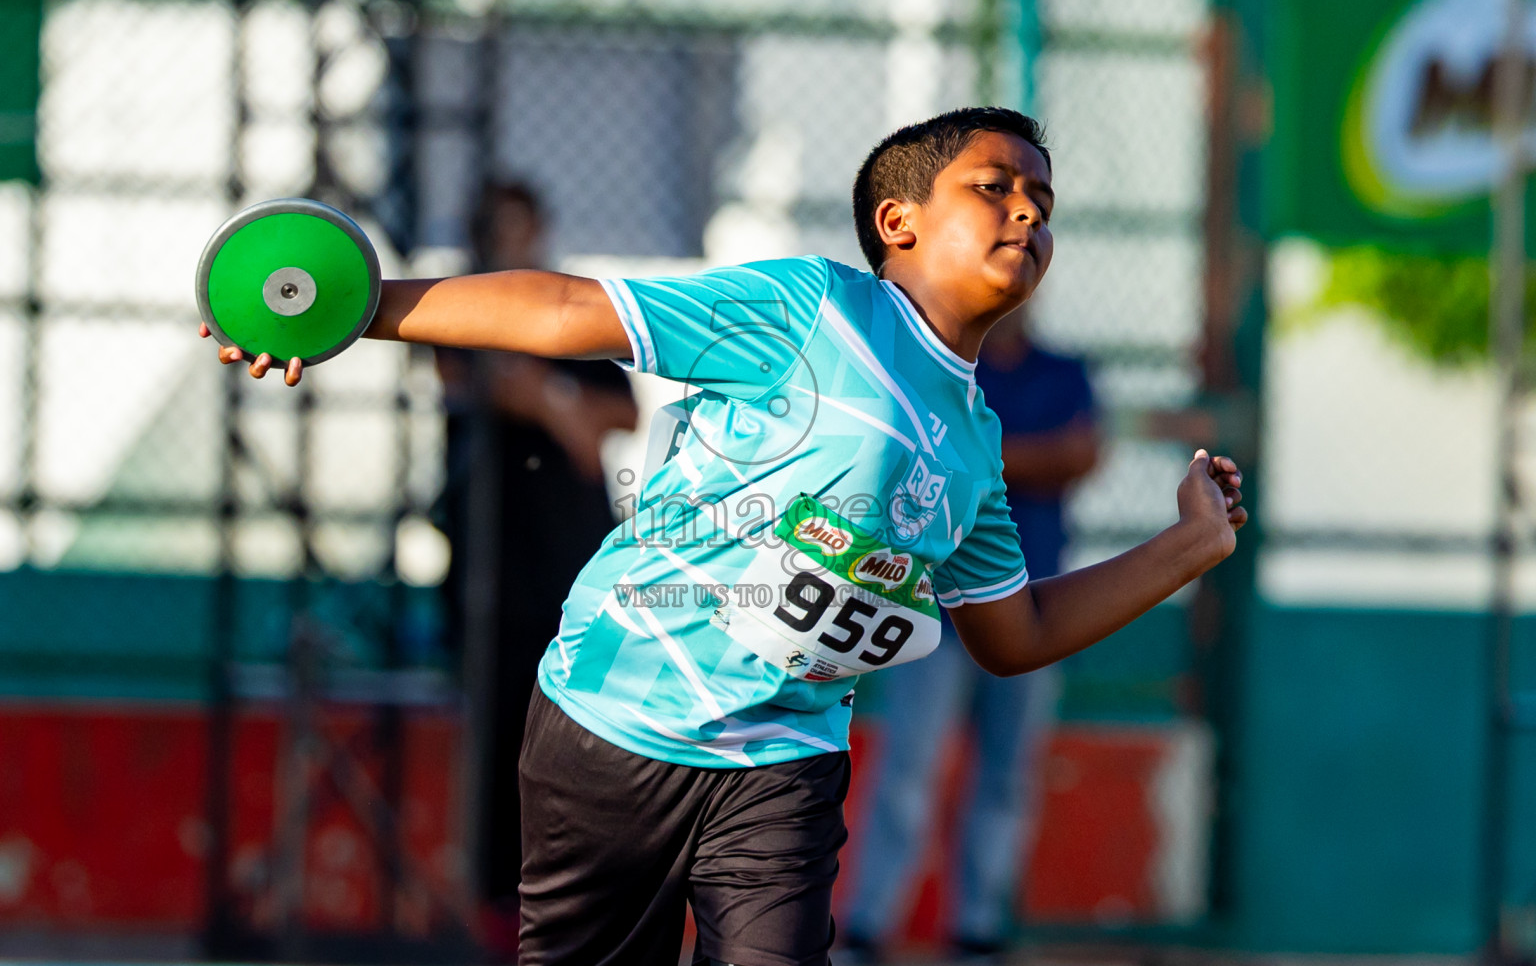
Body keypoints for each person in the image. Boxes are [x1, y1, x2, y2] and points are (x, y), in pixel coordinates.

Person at [204, 107, 1247, 966]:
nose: (1028, 210)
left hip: (785, 765)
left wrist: (1186, 546)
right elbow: (570, 313)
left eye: (1044, 201)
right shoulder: (810, 309)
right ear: (898, 221)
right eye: (995, 186)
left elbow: (1011, 634)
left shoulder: (973, 439)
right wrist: (356, 307)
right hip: (615, 719)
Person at [839, 305, 1098, 963]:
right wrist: (1016, 458)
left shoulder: (1064, 373)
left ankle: (977, 930)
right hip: (931, 611)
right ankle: (866, 928)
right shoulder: (942, 369)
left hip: (1031, 610)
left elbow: (1081, 454)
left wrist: (969, 455)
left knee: (1007, 775)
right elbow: (907, 453)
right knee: (907, 771)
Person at [433, 181, 637, 955]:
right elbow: (501, 390)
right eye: (497, 232)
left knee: (588, 751)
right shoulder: (458, 312)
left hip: (578, 574)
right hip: (492, 581)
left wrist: (553, 399)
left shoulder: (572, 313)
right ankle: (499, 916)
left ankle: (581, 911)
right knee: (499, 754)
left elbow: (617, 416)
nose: (512, 245)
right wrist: (556, 405)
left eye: (522, 230)